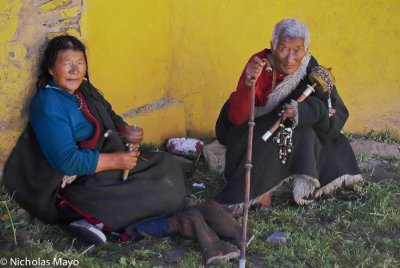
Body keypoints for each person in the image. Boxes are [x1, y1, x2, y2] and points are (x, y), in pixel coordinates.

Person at [2, 35, 248, 264]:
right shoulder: (48, 105)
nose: (75, 70)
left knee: (168, 165)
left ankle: (185, 210)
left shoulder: (83, 90)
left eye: (80, 63)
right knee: (153, 194)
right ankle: (181, 220)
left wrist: (125, 129)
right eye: (67, 64)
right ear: (50, 68)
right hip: (73, 185)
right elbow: (67, 161)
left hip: (106, 166)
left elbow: (109, 114)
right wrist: (116, 161)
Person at [215, 18, 362, 215]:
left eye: (297, 50)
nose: (290, 58)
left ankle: (300, 182)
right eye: (283, 49)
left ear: (306, 50)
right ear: (273, 46)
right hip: (254, 129)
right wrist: (249, 84)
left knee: (305, 133)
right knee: (282, 131)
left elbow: (336, 111)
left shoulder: (312, 69)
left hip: (292, 128)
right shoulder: (259, 66)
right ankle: (261, 189)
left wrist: (304, 112)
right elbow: (238, 118)